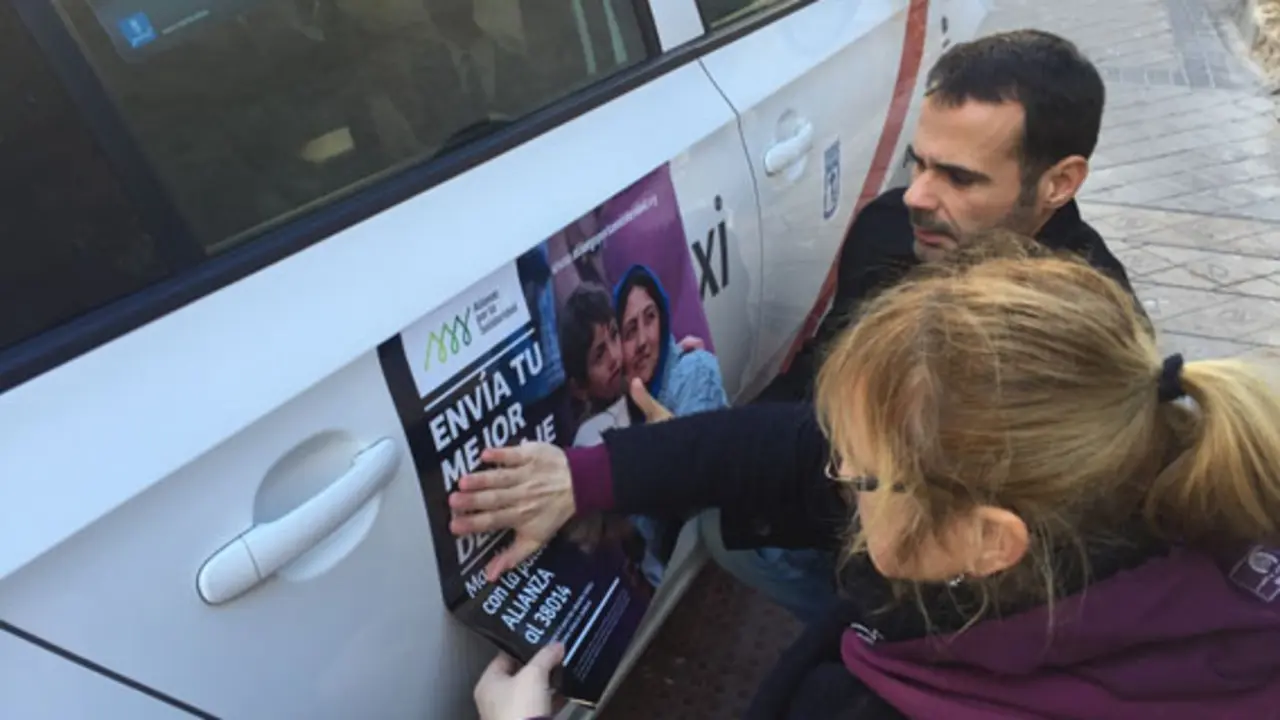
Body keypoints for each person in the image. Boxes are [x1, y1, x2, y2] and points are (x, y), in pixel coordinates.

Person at [457, 235, 1280, 718]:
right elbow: (781, 446)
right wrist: (592, 475)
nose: (832, 470)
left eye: (861, 472)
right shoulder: (1138, 499)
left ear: (988, 538)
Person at [711, 27, 1139, 622]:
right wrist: (710, 439)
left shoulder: (1087, 336)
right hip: (848, 507)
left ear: (1059, 183)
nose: (916, 195)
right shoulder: (892, 229)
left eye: (958, 177)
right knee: (722, 527)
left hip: (976, 601)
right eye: (919, 163)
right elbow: (821, 369)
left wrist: (710, 458)